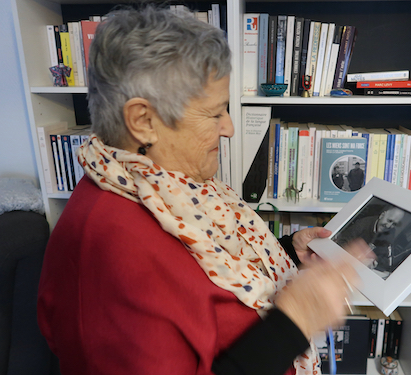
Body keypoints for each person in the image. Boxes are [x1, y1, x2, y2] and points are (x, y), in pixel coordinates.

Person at [37, 5, 370, 375]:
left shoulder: (167, 186)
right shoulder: (108, 250)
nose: (228, 128)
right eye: (215, 114)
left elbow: (216, 274)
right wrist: (295, 321)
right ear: (143, 121)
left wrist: (288, 256)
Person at [333, 206, 405, 275]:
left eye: (394, 224)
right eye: (389, 220)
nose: (389, 226)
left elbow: (386, 260)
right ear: (382, 215)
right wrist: (358, 258)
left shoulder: (390, 232)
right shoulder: (362, 224)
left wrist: (374, 261)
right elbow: (340, 243)